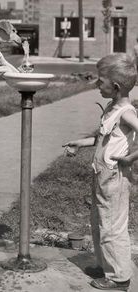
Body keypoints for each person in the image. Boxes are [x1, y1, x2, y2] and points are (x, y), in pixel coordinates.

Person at [63, 53, 138, 291]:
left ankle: (119, 278)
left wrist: (131, 157)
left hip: (114, 177)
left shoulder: (126, 112)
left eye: (100, 82)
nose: (97, 85)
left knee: (112, 227)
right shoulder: (111, 106)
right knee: (99, 223)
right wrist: (80, 142)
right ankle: (106, 265)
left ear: (115, 87)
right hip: (102, 175)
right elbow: (103, 137)